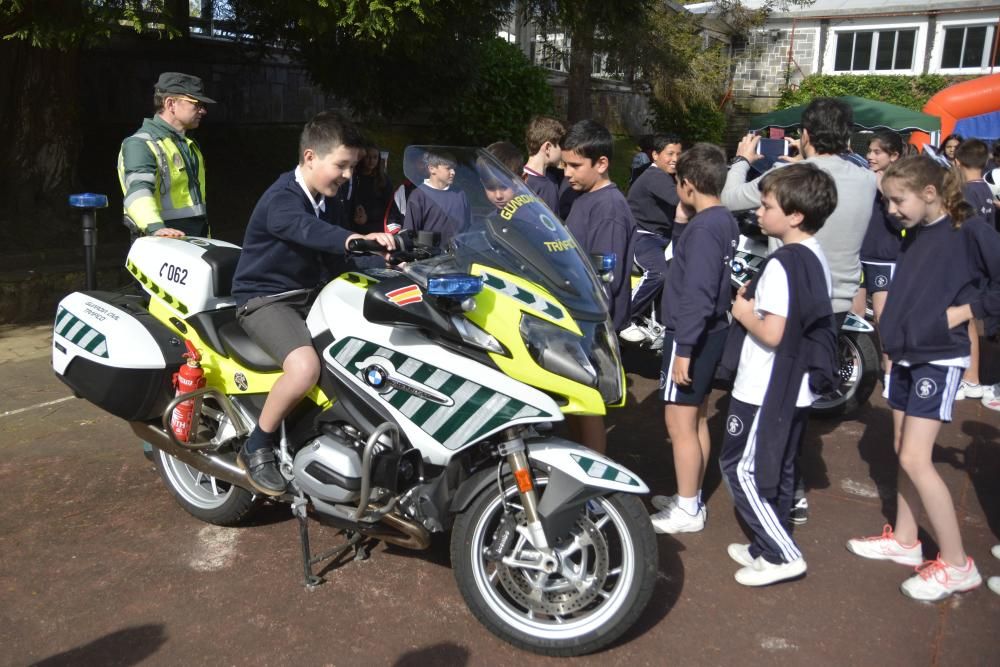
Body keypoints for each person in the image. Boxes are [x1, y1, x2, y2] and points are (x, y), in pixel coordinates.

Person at [846, 155, 1000, 601]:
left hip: (939, 354)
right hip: (910, 352)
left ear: (929, 193)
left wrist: (963, 311)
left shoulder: (967, 230)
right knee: (902, 450)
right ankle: (907, 541)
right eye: (888, 200)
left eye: (898, 200)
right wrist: (893, 344)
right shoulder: (916, 233)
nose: (891, 209)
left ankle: (956, 564)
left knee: (915, 457)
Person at [722, 97, 877, 524]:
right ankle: (792, 489)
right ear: (846, 135)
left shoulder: (789, 177)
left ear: (805, 134)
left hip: (784, 299)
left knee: (772, 400)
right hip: (835, 301)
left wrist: (741, 159)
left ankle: (775, 494)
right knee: (798, 401)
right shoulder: (866, 180)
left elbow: (731, 197)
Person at [229, 111, 395, 495]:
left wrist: (384, 261)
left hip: (314, 296)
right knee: (304, 367)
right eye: (341, 165)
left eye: (352, 167)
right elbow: (311, 232)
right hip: (266, 299)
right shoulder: (282, 199)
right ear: (309, 158)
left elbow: (338, 257)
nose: (348, 175)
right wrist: (355, 239)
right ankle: (257, 445)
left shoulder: (329, 198)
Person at [718, 163, 838, 585]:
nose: (760, 213)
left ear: (795, 215)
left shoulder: (782, 264)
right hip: (794, 385)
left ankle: (783, 553)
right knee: (780, 467)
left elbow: (773, 331)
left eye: (767, 206)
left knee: (739, 468)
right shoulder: (815, 254)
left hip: (766, 385)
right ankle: (767, 544)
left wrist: (743, 311)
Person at [650, 143, 740, 534]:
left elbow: (698, 291)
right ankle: (691, 496)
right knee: (697, 415)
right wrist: (681, 220)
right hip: (712, 331)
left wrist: (684, 348)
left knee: (679, 422)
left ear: (687, 184)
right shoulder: (722, 220)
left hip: (691, 335)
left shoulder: (705, 229)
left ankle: (687, 508)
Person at [561, 119, 637, 454]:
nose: (566, 172)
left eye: (575, 165)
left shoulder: (609, 208)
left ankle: (590, 490)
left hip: (591, 323)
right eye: (564, 164)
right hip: (575, 316)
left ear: (601, 163)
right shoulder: (582, 196)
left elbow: (607, 277)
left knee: (588, 407)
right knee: (575, 406)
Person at [118, 72, 214, 238]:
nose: (203, 111)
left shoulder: (188, 145)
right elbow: (138, 192)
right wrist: (155, 227)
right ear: (171, 104)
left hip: (191, 241)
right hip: (160, 243)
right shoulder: (141, 144)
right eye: (196, 104)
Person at [620, 134, 683, 343]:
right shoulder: (655, 176)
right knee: (657, 274)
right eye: (670, 154)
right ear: (655, 155)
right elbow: (680, 200)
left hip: (663, 237)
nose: (675, 158)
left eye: (678, 154)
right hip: (644, 236)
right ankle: (624, 318)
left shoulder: (667, 176)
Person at [858, 130, 904, 397]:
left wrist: (885, 192)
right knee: (854, 318)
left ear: (894, 156)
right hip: (859, 255)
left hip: (886, 259)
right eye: (870, 151)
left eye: (877, 152)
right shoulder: (865, 177)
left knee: (884, 321)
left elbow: (904, 223)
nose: (870, 156)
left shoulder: (903, 182)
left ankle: (892, 373)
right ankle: (857, 368)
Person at [953, 139, 996, 401]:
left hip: (969, 265)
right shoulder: (987, 190)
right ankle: (971, 377)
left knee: (965, 320)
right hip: (980, 264)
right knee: (969, 321)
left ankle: (970, 378)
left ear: (957, 162)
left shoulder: (966, 193)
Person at [402, 150, 471, 244]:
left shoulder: (460, 194)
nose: (453, 172)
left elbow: (468, 227)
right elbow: (410, 233)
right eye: (448, 168)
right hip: (432, 256)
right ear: (432, 169)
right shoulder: (419, 196)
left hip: (459, 254)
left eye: (454, 168)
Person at [523, 115, 566, 213]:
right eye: (560, 146)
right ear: (547, 148)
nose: (562, 151)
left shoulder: (552, 179)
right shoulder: (522, 183)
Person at [352, 141, 393, 235]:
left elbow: (389, 207)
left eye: (375, 157)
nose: (371, 161)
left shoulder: (384, 180)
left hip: (377, 229)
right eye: (368, 157)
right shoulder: (354, 178)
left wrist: (368, 216)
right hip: (354, 228)